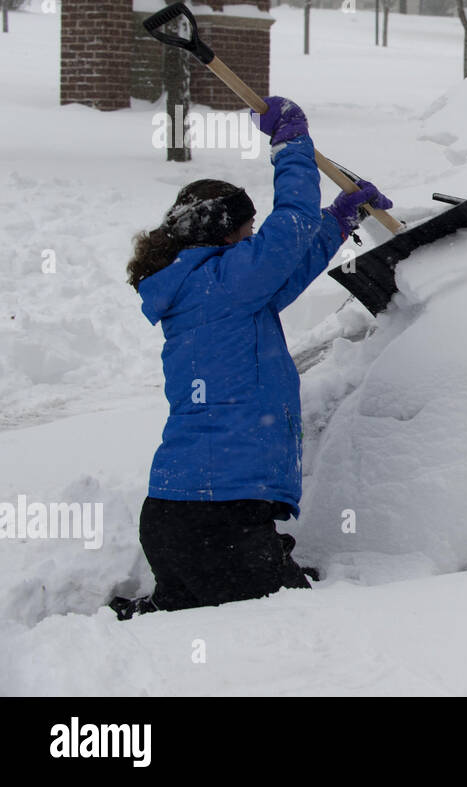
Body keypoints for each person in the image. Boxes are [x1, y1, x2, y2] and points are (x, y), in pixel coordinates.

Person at [110, 97, 392, 619]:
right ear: (227, 233)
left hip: (193, 513)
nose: (254, 234)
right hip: (213, 517)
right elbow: (291, 225)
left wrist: (337, 221)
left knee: (200, 614)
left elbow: (286, 267)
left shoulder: (213, 285)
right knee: (278, 624)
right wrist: (292, 146)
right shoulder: (227, 282)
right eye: (249, 226)